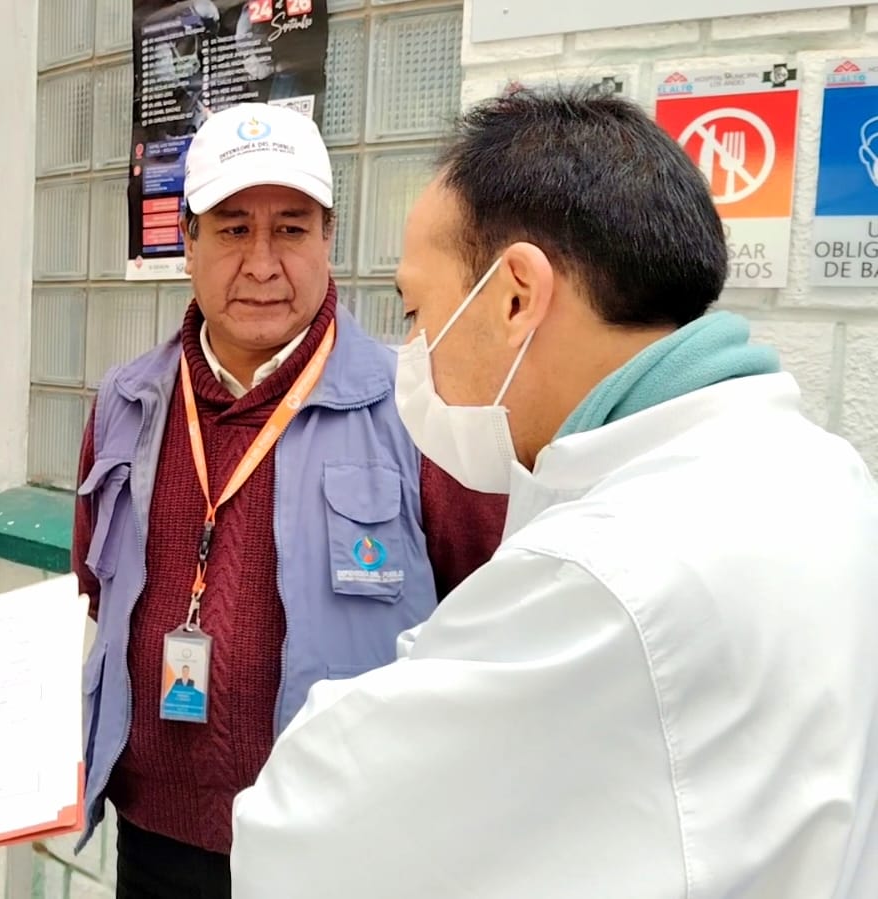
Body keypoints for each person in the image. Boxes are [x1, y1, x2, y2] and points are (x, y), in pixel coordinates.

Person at [230, 85, 878, 897]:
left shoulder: (603, 578)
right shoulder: (821, 471)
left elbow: (307, 828)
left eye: (416, 310)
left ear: (514, 295)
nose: (413, 349)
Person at [71, 101, 507, 898]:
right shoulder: (123, 404)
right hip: (155, 838)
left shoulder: (416, 406)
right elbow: (95, 589)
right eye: (233, 229)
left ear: (328, 238)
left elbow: (492, 619)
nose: (262, 263)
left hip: (342, 847)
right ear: (187, 242)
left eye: (291, 229)